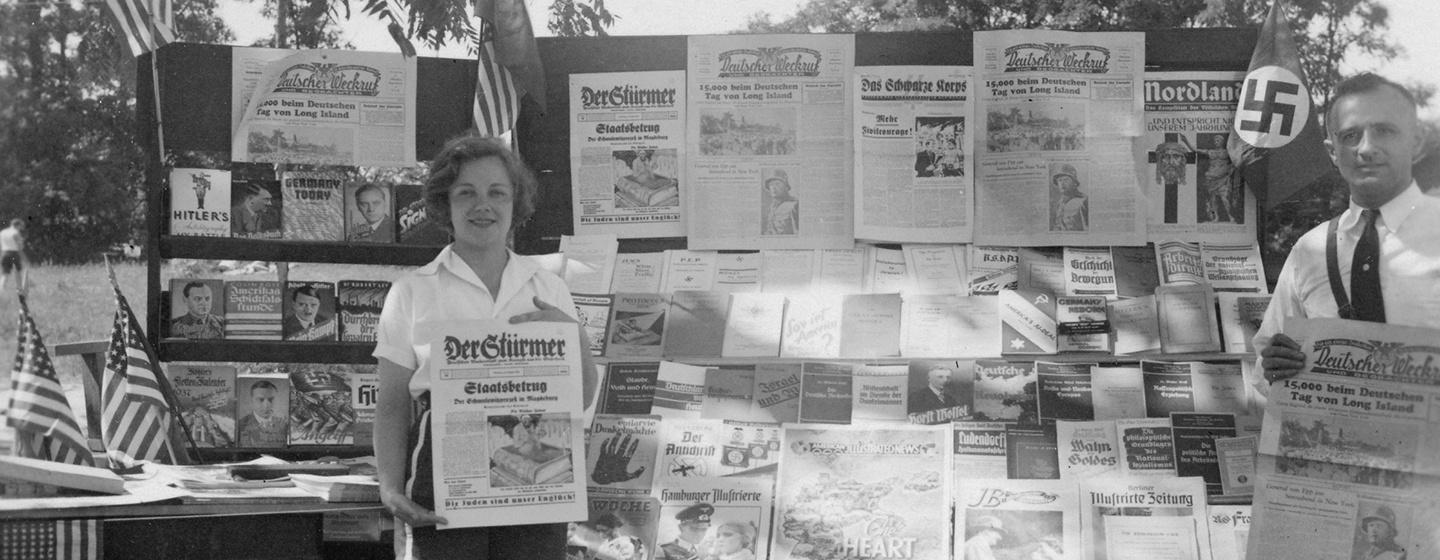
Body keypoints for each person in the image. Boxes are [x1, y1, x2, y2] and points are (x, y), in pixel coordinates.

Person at [372, 136, 597, 560]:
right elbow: (391, 404)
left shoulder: (547, 287)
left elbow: (580, 398)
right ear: (444, 204)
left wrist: (576, 337)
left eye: (497, 193)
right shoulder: (412, 291)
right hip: (443, 474)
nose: (483, 206)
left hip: (537, 480)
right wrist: (388, 486)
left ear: (516, 202)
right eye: (466, 193)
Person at [1255, 73, 1439, 393]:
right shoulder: (1309, 251)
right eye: (1351, 135)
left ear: (1416, 141)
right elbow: (1264, 366)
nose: (1366, 149)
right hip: (1338, 440)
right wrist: (1272, 367)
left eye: (1384, 131)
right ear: (1332, 152)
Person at [613, 149, 679, 207]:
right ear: (639, 155)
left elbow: (649, 170)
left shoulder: (646, 160)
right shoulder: (635, 162)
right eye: (641, 154)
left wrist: (652, 172)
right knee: (651, 184)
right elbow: (635, 174)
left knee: (658, 182)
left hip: (648, 177)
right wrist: (642, 171)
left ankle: (668, 186)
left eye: (644, 154)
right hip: (640, 178)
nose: (643, 155)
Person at [236, 380, 288, 447]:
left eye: (271, 399)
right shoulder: (240, 426)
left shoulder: (285, 426)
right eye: (260, 399)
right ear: (252, 401)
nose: (266, 405)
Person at [1050, 163, 1088, 231]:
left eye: (1066, 180)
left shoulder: (1083, 201)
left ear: (1074, 183)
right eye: (1060, 180)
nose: (1062, 183)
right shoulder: (1060, 204)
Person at [761, 170, 798, 236]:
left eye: (777, 184)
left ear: (786, 187)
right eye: (771, 184)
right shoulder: (772, 207)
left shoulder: (794, 205)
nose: (773, 187)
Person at [0, 218, 29, 293]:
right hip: (14, 254)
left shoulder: (2, 232)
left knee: (5, 273)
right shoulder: (15, 232)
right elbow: (20, 247)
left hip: (4, 253)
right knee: (18, 272)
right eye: (20, 226)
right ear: (17, 225)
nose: (21, 228)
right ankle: (19, 289)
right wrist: (22, 242)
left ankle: (1, 290)